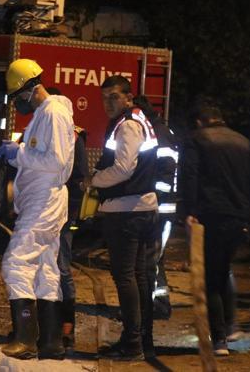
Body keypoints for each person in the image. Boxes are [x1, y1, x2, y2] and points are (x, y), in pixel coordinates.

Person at [0, 59, 75, 360]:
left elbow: (54, 162)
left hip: (45, 201)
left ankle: (25, 339)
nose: (17, 104)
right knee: (45, 269)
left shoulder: (52, 113)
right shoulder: (45, 114)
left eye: (18, 97)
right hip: (43, 200)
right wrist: (19, 157)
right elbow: (41, 158)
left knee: (15, 261)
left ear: (30, 89)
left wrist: (18, 152)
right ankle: (51, 343)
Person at [180, 97, 250, 356]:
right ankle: (230, 326)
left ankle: (219, 340)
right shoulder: (244, 142)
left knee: (211, 278)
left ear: (198, 121)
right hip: (238, 218)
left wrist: (189, 212)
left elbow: (189, 176)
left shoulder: (196, 139)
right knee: (224, 269)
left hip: (210, 216)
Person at [90, 75, 158, 361]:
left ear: (128, 98)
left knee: (126, 277)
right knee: (139, 277)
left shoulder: (128, 125)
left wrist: (95, 180)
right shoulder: (138, 120)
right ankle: (138, 340)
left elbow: (123, 168)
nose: (108, 102)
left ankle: (133, 344)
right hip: (141, 208)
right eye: (105, 97)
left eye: (114, 97)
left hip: (127, 211)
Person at [47, 87, 89, 352]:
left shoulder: (73, 136)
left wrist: (69, 213)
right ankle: (41, 327)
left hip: (62, 215)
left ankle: (66, 329)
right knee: (39, 270)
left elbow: (81, 177)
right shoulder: (39, 130)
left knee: (61, 269)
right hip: (40, 213)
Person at [133, 95, 178, 320]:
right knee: (153, 259)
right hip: (159, 206)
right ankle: (158, 304)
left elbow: (167, 168)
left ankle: (150, 308)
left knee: (148, 260)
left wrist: (154, 196)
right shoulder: (158, 130)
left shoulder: (158, 133)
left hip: (161, 208)